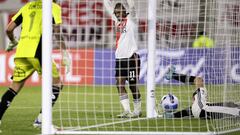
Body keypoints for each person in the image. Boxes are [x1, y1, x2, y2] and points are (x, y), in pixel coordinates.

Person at [2, 0, 70, 128]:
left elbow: (9, 29)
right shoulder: (53, 7)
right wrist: (65, 51)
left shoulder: (27, 6)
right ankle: (41, 120)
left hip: (22, 51)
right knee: (56, 83)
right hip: (38, 52)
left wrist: (12, 41)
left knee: (15, 86)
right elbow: (56, 31)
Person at [104, 0, 142, 118]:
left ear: (125, 12)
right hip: (120, 59)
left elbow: (132, 6)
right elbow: (107, 5)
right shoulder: (116, 21)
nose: (117, 14)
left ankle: (137, 110)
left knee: (132, 85)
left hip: (131, 58)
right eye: (116, 13)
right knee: (119, 84)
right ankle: (127, 110)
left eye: (120, 12)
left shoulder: (131, 20)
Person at [164, 66, 240, 119]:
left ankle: (173, 75)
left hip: (202, 108)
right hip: (202, 108)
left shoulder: (198, 106)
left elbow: (193, 110)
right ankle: (173, 75)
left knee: (230, 105)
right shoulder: (200, 100)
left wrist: (174, 115)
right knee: (231, 107)